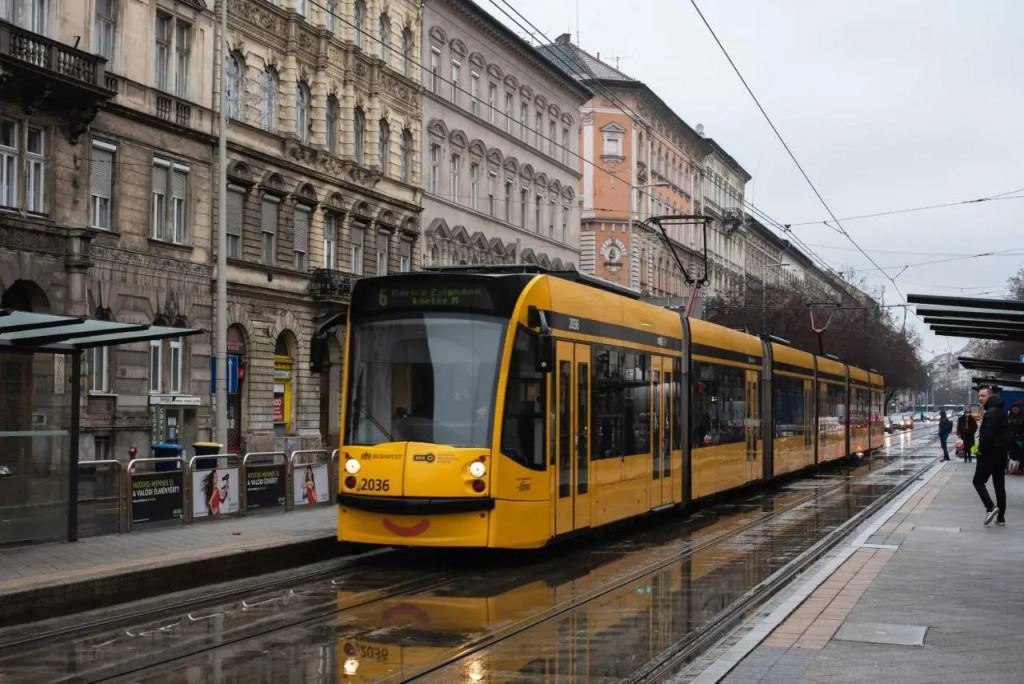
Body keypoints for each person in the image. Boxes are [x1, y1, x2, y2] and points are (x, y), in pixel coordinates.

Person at [974, 387, 1008, 526]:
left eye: (983, 396)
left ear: (990, 396)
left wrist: (980, 450)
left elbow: (987, 435)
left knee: (977, 481)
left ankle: (990, 507)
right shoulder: (1001, 411)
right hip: (1001, 454)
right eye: (979, 396)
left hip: (989, 454)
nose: (980, 398)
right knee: (999, 485)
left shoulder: (991, 412)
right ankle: (1001, 517)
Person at [1008, 404, 1024, 473]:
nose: (1014, 411)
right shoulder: (1010, 417)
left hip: (1019, 438)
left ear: (1019, 409)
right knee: (1011, 453)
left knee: (1020, 454)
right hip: (1011, 438)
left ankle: (1020, 467)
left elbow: (1018, 424)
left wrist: (1010, 420)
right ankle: (1012, 467)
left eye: (1015, 409)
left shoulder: (1021, 417)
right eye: (1013, 409)